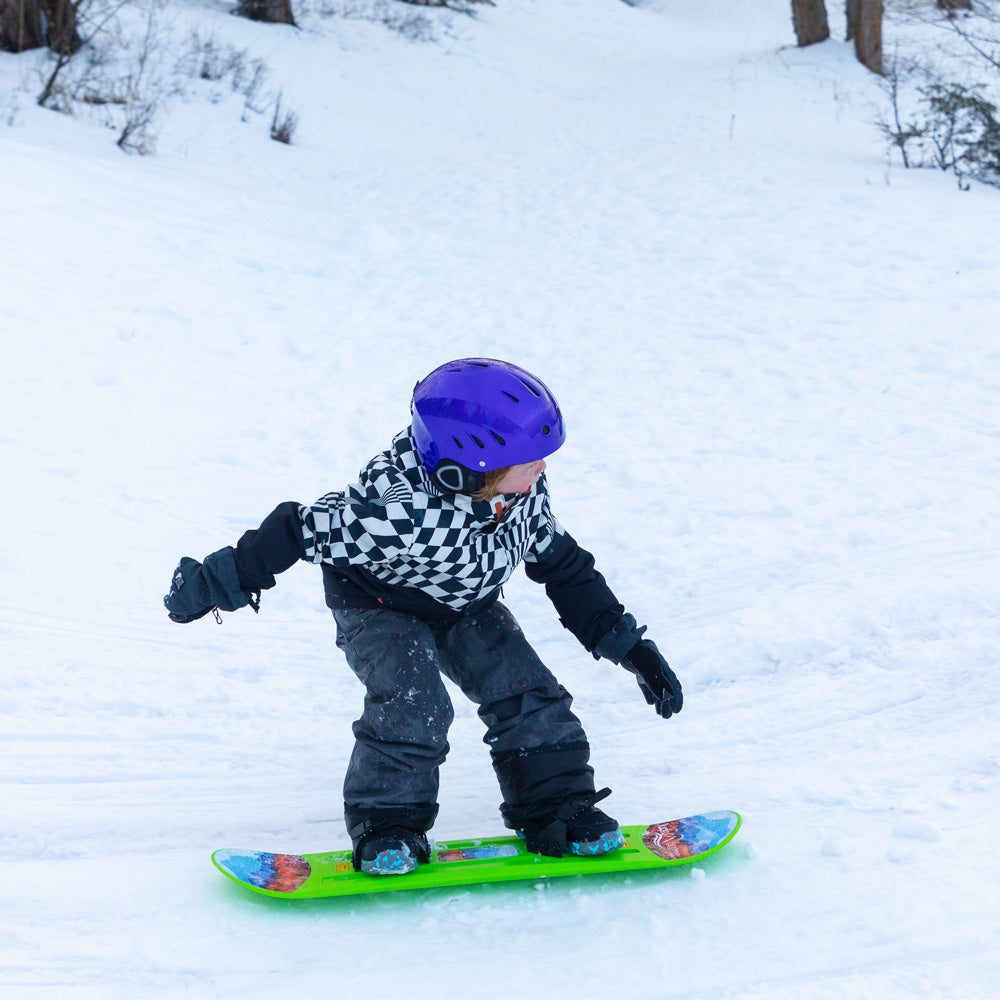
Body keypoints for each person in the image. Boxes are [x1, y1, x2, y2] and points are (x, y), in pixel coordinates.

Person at [164, 358, 682, 876]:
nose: (543, 468)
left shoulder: (520, 495)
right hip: (379, 605)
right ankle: (388, 824)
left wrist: (629, 647)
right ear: (471, 467)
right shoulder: (392, 508)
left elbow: (564, 568)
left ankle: (557, 809)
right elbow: (297, 530)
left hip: (467, 603)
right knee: (415, 705)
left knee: (527, 693)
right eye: (531, 460)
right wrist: (213, 584)